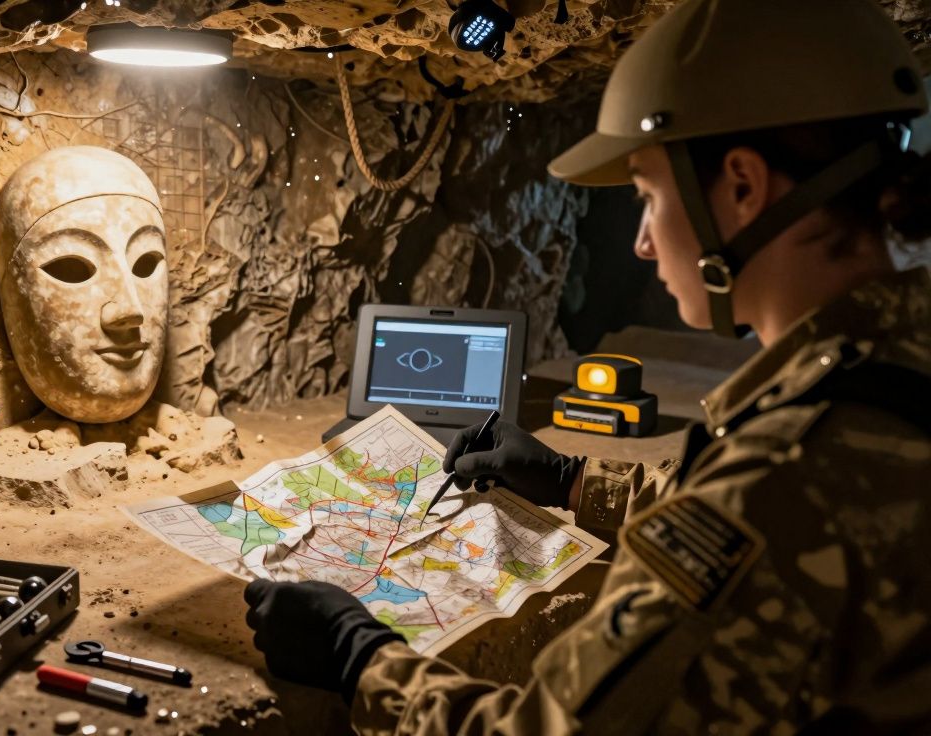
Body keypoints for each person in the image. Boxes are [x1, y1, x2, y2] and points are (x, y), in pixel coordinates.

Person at [243, 0, 931, 732]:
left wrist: (362, 657)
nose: (640, 242)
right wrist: (574, 482)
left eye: (647, 196)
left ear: (741, 186)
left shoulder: (786, 471)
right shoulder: (894, 360)